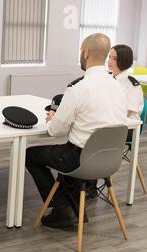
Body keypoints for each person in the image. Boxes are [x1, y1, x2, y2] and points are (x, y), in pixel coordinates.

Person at [25, 33, 128, 229]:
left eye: (81, 50)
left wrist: (52, 120)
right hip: (110, 161)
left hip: (80, 159)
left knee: (30, 154)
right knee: (68, 152)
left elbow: (55, 131)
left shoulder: (78, 89)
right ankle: (69, 206)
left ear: (86, 52)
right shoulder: (118, 88)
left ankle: (62, 208)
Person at [108, 45, 144, 121]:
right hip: (110, 120)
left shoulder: (132, 85)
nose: (109, 61)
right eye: (109, 57)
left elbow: (127, 112)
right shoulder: (107, 78)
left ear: (124, 60)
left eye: (115, 59)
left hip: (127, 125)